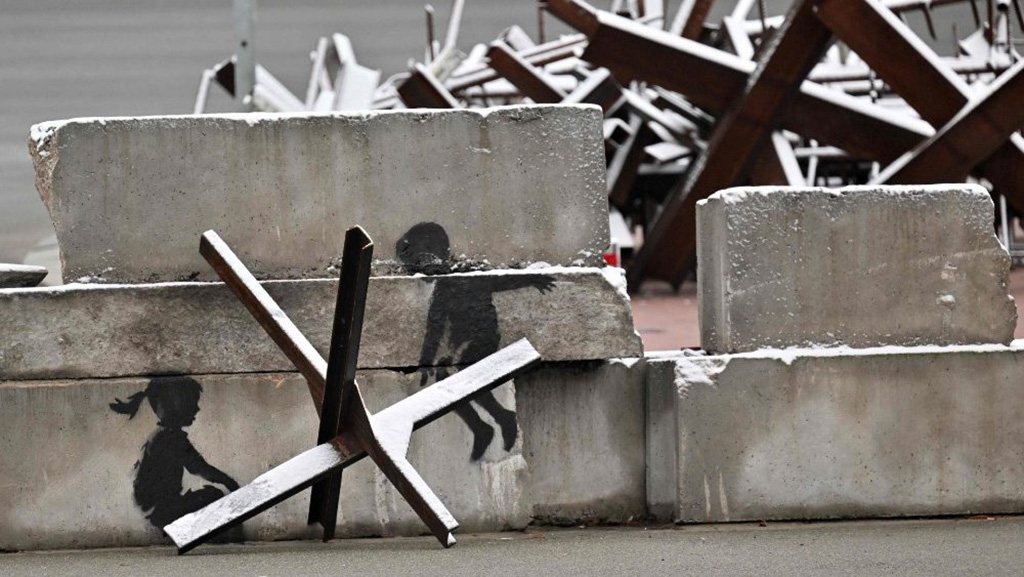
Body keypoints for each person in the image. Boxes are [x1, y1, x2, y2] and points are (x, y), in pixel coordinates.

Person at [396, 222, 554, 460]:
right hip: (463, 345)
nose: (422, 273)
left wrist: (532, 278)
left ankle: (498, 421)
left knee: (459, 372)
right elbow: (434, 328)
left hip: (484, 339)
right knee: (444, 376)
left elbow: (501, 281)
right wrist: (426, 361)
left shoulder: (465, 276)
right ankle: (487, 425)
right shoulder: (442, 290)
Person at [110, 376, 240, 529]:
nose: (197, 409)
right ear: (178, 406)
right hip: (162, 511)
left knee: (210, 497)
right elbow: (200, 468)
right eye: (193, 403)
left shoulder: (164, 436)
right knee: (214, 497)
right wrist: (230, 483)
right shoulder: (172, 439)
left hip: (159, 507)